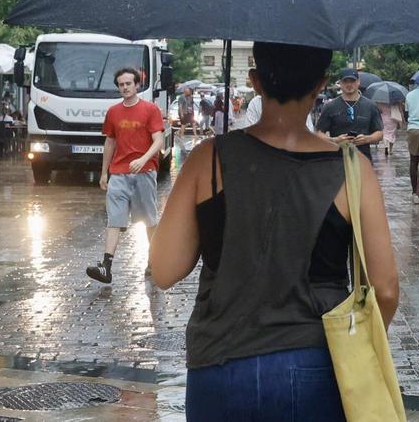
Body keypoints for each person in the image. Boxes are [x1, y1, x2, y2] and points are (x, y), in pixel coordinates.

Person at [150, 42, 399, 420]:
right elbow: (386, 289)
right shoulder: (352, 169)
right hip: (317, 360)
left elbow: (165, 270)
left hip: (219, 362)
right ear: (322, 85)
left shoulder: (209, 159)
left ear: (255, 81)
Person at [86, 67, 166, 284]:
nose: (125, 87)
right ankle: (106, 267)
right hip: (119, 173)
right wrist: (104, 172)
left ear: (137, 85)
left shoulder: (150, 110)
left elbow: (159, 140)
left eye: (128, 83)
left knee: (149, 219)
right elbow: (110, 142)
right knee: (114, 220)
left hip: (145, 172)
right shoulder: (113, 112)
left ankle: (154, 260)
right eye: (121, 84)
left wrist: (143, 159)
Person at [315, 68, 383, 159]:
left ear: (358, 82)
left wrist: (367, 139)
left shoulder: (370, 106)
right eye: (345, 81)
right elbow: (318, 133)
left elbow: (379, 133)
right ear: (340, 83)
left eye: (352, 81)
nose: (349, 84)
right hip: (337, 159)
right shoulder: (330, 107)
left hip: (363, 158)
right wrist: (334, 140)